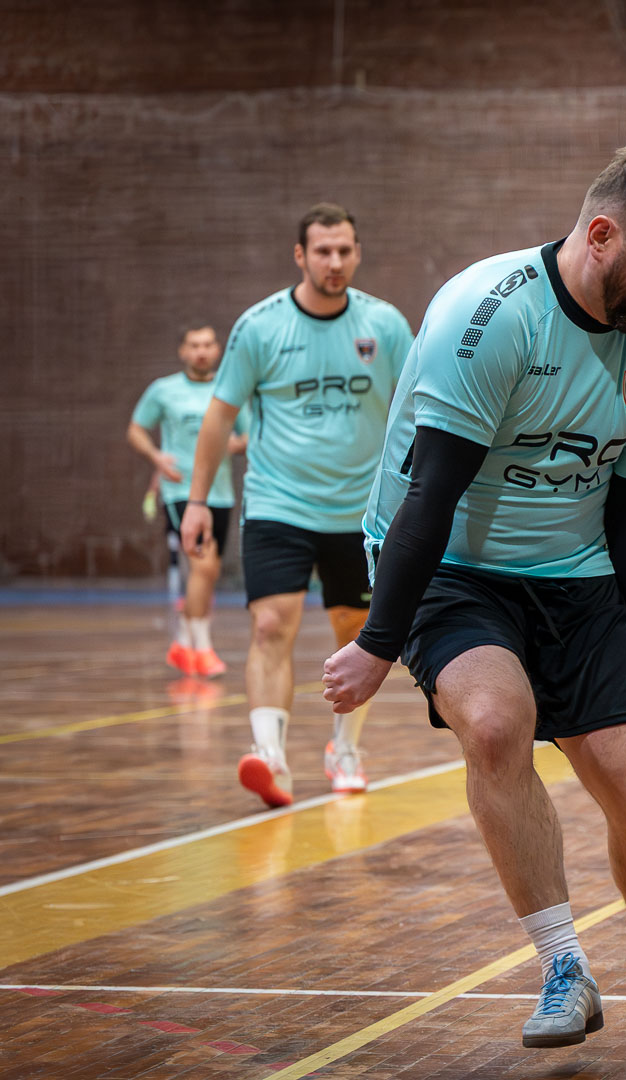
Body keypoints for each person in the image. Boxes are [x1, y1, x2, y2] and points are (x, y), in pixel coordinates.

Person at [317, 142, 626, 1050]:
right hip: (449, 565)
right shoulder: (490, 314)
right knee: (495, 726)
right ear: (603, 235)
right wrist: (379, 641)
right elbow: (431, 494)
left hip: (575, 570)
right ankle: (562, 969)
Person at [179, 204, 414, 805]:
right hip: (277, 503)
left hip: (361, 512)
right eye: (322, 251)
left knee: (355, 631)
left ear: (357, 253)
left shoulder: (385, 325)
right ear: (300, 256)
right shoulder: (259, 328)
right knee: (269, 625)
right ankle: (272, 757)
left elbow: (420, 406)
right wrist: (198, 500)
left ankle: (344, 748)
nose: (334, 262)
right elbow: (219, 417)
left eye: (344, 250)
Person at [128, 324, 250, 677]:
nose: (201, 351)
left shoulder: (229, 390)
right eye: (194, 345)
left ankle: (182, 642)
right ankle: (202, 646)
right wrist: (156, 456)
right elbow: (136, 428)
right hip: (181, 490)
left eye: (208, 344)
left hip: (221, 493)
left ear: (217, 350)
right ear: (183, 351)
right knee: (204, 567)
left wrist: (235, 444)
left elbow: (250, 433)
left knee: (207, 572)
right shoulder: (164, 390)